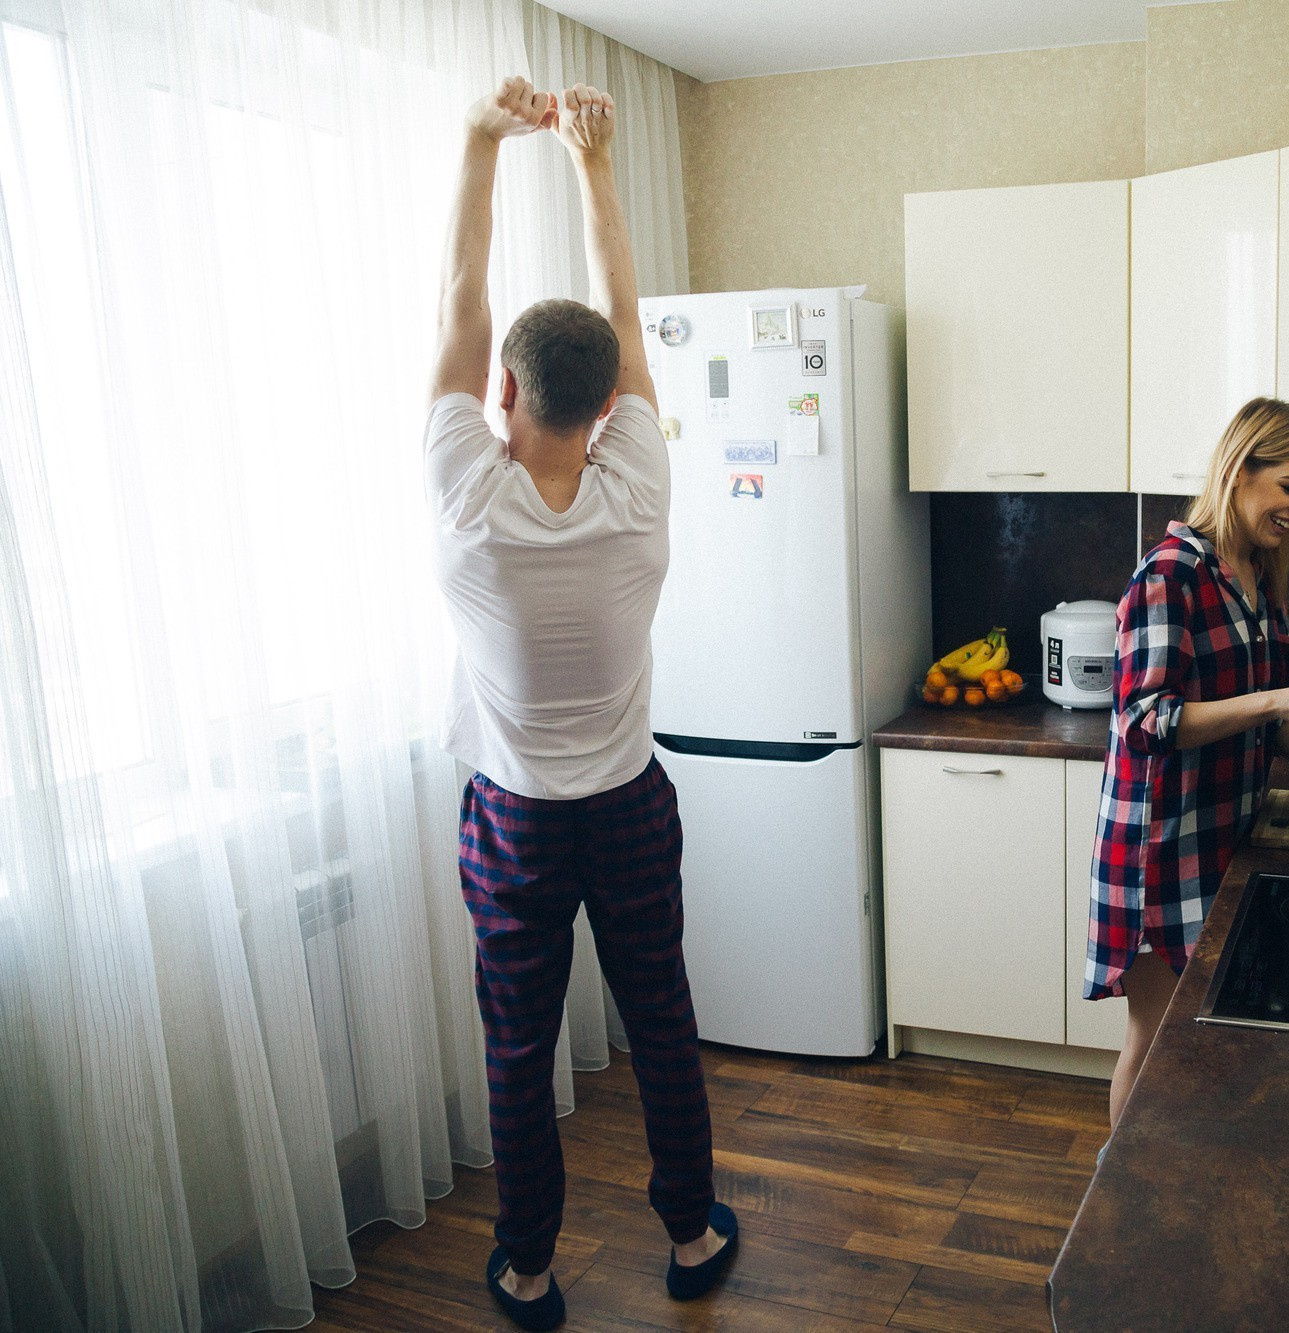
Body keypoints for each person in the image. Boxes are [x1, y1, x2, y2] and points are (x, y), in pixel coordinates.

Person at [425, 78, 737, 1329]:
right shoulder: (638, 486)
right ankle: (692, 1230)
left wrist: (481, 139)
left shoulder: (465, 495)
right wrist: (589, 160)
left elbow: (460, 302)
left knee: (518, 1047)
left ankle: (529, 1268)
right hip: (625, 807)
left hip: (513, 819)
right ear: (609, 405)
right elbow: (625, 317)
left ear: (502, 394)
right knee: (660, 1017)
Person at [1084, 398, 1289, 1126]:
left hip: (1223, 840)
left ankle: (1173, 1171)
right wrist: (1283, 699)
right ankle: (1117, 1183)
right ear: (1238, 468)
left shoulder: (1257, 577)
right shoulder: (1169, 575)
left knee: (1202, 1044)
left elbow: (1268, 719)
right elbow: (1146, 721)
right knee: (1152, 1041)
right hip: (1160, 849)